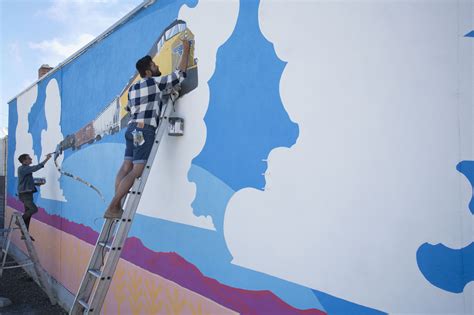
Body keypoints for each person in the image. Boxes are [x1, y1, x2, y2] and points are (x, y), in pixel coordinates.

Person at [103, 39, 191, 219]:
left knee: (126, 166)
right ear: (148, 71)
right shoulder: (155, 83)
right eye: (154, 65)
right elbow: (180, 74)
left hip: (132, 129)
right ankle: (113, 205)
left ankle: (117, 205)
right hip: (144, 130)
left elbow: (128, 109)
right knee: (137, 170)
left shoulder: (134, 89)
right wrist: (187, 48)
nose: (157, 66)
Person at [17, 153, 52, 240]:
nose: (31, 160)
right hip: (25, 195)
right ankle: (19, 220)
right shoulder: (23, 168)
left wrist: (37, 184)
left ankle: (25, 234)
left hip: (27, 194)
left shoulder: (25, 169)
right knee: (34, 209)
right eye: (29, 159)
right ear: (24, 161)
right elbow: (36, 168)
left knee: (28, 216)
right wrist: (47, 159)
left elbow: (26, 181)